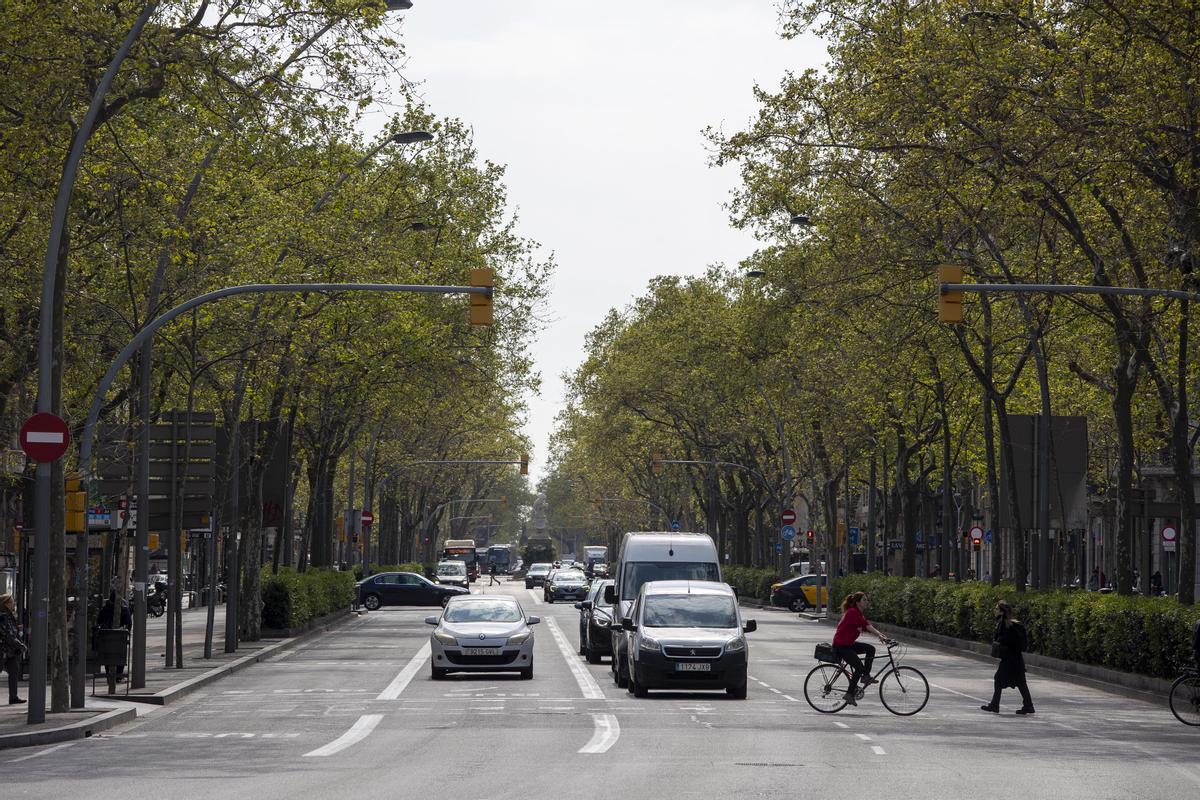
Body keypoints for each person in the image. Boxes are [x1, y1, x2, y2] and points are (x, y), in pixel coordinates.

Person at [832, 591, 890, 706]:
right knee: (859, 667)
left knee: (870, 649)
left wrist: (881, 637)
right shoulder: (853, 612)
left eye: (867, 600)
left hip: (848, 644)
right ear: (858, 602)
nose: (867, 602)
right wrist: (881, 636)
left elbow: (865, 626)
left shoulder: (858, 613)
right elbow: (867, 625)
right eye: (864, 600)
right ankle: (849, 694)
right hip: (841, 646)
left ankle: (865, 676)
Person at [981, 600, 1034, 715]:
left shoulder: (1007, 625)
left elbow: (1007, 640)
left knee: (999, 679)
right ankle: (1028, 705)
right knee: (1020, 682)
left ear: (1001, 612)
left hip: (1011, 660)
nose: (994, 611)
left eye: (996, 609)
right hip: (1015, 660)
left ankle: (995, 705)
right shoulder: (1009, 624)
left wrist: (999, 644)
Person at [96, 590, 132, 695]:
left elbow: (99, 620)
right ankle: (118, 677)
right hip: (120, 637)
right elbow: (129, 623)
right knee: (120, 656)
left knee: (108, 657)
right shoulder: (124, 610)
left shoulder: (105, 609)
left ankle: (109, 676)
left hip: (106, 637)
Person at [0, 593, 26, 705]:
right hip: (3, 650)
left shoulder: (10, 616)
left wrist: (18, 630)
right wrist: (20, 645)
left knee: (14, 672)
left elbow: (12, 632)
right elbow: (8, 635)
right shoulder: (2, 617)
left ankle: (13, 697)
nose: (13, 603)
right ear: (5, 604)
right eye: (11, 602)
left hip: (11, 651)